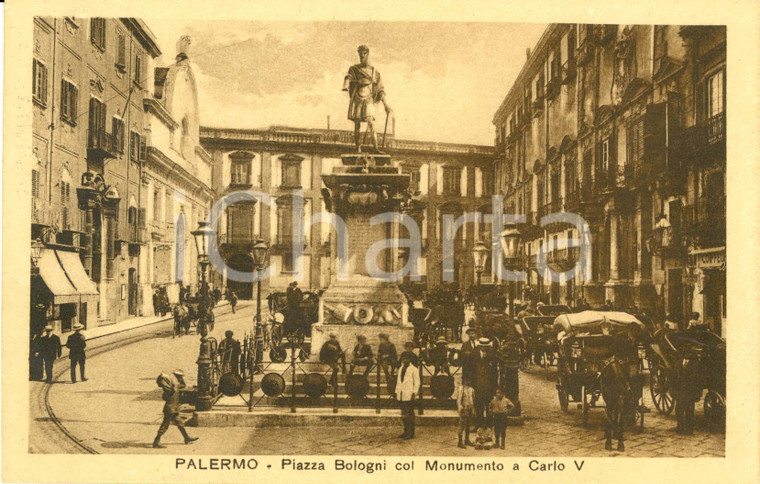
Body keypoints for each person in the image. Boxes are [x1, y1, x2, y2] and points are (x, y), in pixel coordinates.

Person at [343, 45, 393, 153]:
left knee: (371, 123)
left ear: (368, 54)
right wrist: (347, 83)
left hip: (368, 99)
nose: (362, 56)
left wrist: (386, 105)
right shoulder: (354, 69)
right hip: (357, 99)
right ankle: (358, 147)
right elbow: (348, 79)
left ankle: (375, 148)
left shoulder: (374, 71)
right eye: (360, 53)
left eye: (364, 53)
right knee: (357, 124)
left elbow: (380, 89)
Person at [153, 370, 198, 448]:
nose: (179, 378)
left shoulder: (173, 387)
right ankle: (156, 442)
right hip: (170, 410)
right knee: (165, 425)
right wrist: (174, 381)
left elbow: (183, 385)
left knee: (180, 424)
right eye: (178, 377)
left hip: (174, 409)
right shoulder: (170, 389)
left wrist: (179, 378)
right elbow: (171, 387)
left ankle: (186, 438)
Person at [395, 351, 420, 440]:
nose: (404, 360)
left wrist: (414, 393)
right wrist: (397, 392)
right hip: (402, 394)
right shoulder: (401, 368)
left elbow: (417, 383)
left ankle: (411, 432)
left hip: (409, 394)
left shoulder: (414, 369)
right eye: (403, 359)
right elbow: (399, 381)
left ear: (409, 359)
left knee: (409, 413)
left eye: (406, 359)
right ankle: (405, 431)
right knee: (404, 413)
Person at [473, 338, 497, 426]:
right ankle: (478, 425)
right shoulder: (474, 355)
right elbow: (471, 371)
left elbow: (495, 373)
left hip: (488, 387)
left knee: (489, 407)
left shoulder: (492, 356)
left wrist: (494, 386)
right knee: (478, 407)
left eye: (486, 347)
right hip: (478, 385)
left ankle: (489, 425)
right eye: (483, 346)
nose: (484, 348)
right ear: (480, 346)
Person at [454, 382, 476, 448]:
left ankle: (467, 439)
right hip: (464, 409)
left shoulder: (471, 389)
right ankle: (460, 442)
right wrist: (461, 408)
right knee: (462, 425)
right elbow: (458, 400)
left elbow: (473, 399)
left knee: (468, 425)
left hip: (469, 409)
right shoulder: (461, 389)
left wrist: (472, 409)